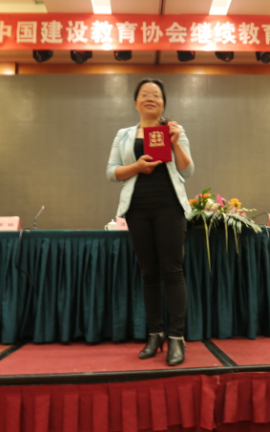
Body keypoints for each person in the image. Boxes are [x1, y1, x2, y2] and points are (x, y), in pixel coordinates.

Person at [106, 79, 194, 366]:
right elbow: (111, 172)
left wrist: (175, 141)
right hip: (138, 209)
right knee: (148, 274)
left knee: (172, 271)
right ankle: (154, 335)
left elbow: (187, 170)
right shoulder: (123, 135)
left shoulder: (175, 130)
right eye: (144, 94)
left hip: (169, 207)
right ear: (135, 103)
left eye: (156, 95)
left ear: (163, 103)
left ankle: (176, 338)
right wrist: (137, 167)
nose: (150, 98)